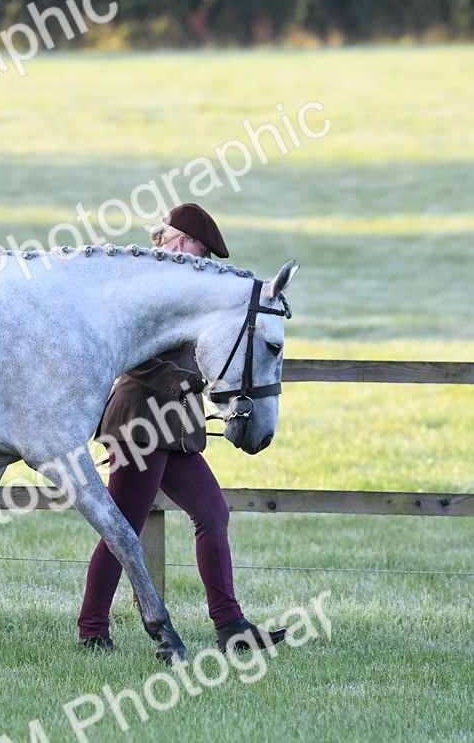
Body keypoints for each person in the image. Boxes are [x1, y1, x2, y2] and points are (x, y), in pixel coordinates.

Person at [76, 202, 287, 653]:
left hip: (177, 426)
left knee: (213, 515)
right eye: (202, 249)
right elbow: (131, 351)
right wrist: (196, 380)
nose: (205, 261)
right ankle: (92, 630)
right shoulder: (146, 283)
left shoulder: (192, 291)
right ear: (179, 241)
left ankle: (230, 625)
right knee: (123, 527)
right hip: (141, 422)